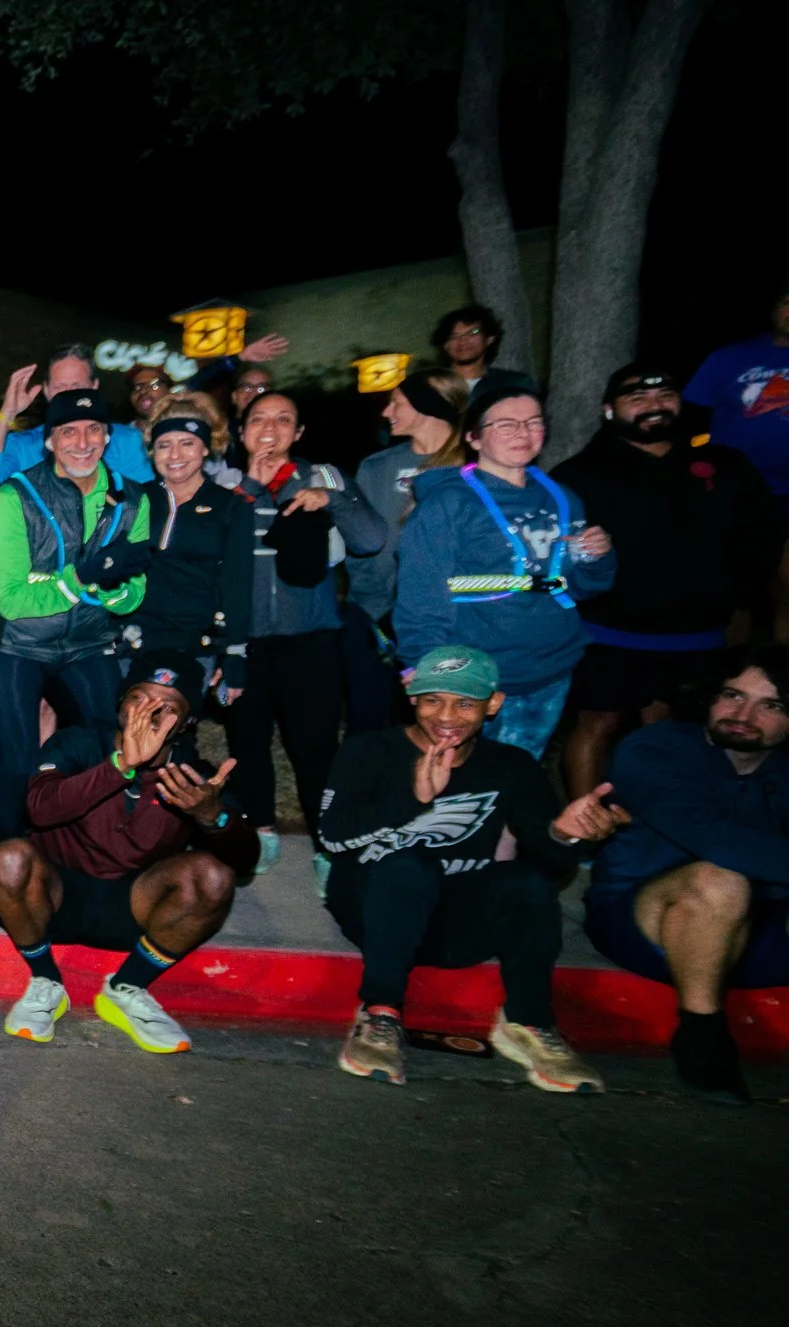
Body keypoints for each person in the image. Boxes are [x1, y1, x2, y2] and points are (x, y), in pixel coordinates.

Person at [319, 645, 622, 1093]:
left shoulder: (511, 766)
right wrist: (411, 800)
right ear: (413, 699)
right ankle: (380, 1015)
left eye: (465, 702)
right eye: (433, 700)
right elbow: (333, 838)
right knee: (408, 865)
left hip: (456, 924)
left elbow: (548, 867)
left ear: (493, 704)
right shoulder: (369, 751)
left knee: (525, 882)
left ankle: (528, 1023)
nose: (447, 715)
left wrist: (562, 834)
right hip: (377, 913)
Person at [0, 652, 255, 1053]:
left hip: (135, 904)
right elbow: (37, 808)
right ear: (120, 704)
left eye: (168, 707)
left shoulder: (191, 773)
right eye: (139, 698)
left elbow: (245, 862)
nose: (150, 713)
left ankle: (128, 988)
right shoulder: (79, 742)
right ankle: (45, 981)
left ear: (186, 723)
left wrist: (212, 816)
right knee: (9, 859)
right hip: (56, 897)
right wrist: (120, 765)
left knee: (213, 876)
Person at [553, 362, 781, 797]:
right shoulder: (578, 475)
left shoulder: (724, 463)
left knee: (674, 730)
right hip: (609, 632)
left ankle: (662, 823)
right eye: (636, 398)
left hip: (699, 636)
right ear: (608, 409)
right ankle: (583, 833)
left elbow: (761, 534)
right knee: (597, 724)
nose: (653, 406)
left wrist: (740, 600)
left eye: (664, 396)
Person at [585, 648, 789, 1104]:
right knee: (720, 879)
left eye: (770, 705)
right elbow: (713, 839)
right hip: (644, 920)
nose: (743, 714)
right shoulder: (656, 748)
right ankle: (702, 1033)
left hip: (756, 930)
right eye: (732, 696)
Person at [395, 374, 615, 760]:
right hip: (472, 675)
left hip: (552, 667)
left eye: (533, 422)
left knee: (519, 776)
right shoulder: (447, 504)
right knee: (462, 781)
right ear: (474, 437)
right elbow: (421, 594)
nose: (523, 432)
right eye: (507, 423)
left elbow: (582, 588)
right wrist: (423, 666)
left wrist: (596, 558)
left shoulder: (563, 497)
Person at [0, 387, 153, 843]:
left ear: (107, 437)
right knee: (18, 757)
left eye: (94, 429)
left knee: (107, 749)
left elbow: (133, 595)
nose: (82, 441)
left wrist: (110, 590)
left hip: (89, 643)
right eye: (69, 431)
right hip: (18, 645)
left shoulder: (133, 499)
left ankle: (92, 853)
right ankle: (11, 865)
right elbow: (13, 601)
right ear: (50, 440)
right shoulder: (14, 497)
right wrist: (84, 579)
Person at [229, 392, 389, 872]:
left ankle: (328, 846)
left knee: (316, 748)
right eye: (258, 420)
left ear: (299, 433)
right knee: (247, 743)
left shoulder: (324, 476)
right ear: (242, 432)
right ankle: (260, 829)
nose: (270, 429)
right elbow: (212, 548)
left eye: (284, 419)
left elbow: (372, 538)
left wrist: (332, 501)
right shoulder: (224, 482)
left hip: (312, 639)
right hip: (244, 640)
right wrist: (250, 491)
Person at [347, 369, 470, 725]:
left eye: (397, 403)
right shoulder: (376, 466)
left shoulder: (474, 470)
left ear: (426, 407)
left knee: (429, 724)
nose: (387, 412)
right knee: (368, 722)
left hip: (445, 623)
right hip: (374, 617)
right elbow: (362, 546)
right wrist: (374, 608)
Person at [129, 399, 250, 705]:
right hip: (133, 637)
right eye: (164, 444)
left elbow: (237, 583)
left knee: (175, 734)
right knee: (126, 733)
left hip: (195, 641)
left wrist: (234, 651)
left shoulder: (230, 505)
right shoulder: (134, 500)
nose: (175, 455)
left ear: (205, 448)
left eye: (187, 443)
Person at [0, 345, 157, 495]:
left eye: (77, 386)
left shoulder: (125, 440)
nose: (69, 395)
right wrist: (7, 414)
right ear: (46, 390)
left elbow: (146, 499)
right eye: (60, 387)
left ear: (94, 386)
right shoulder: (24, 444)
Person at [685, 278, 789, 514]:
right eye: (787, 302)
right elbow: (691, 414)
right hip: (733, 485)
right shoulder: (729, 357)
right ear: (773, 309)